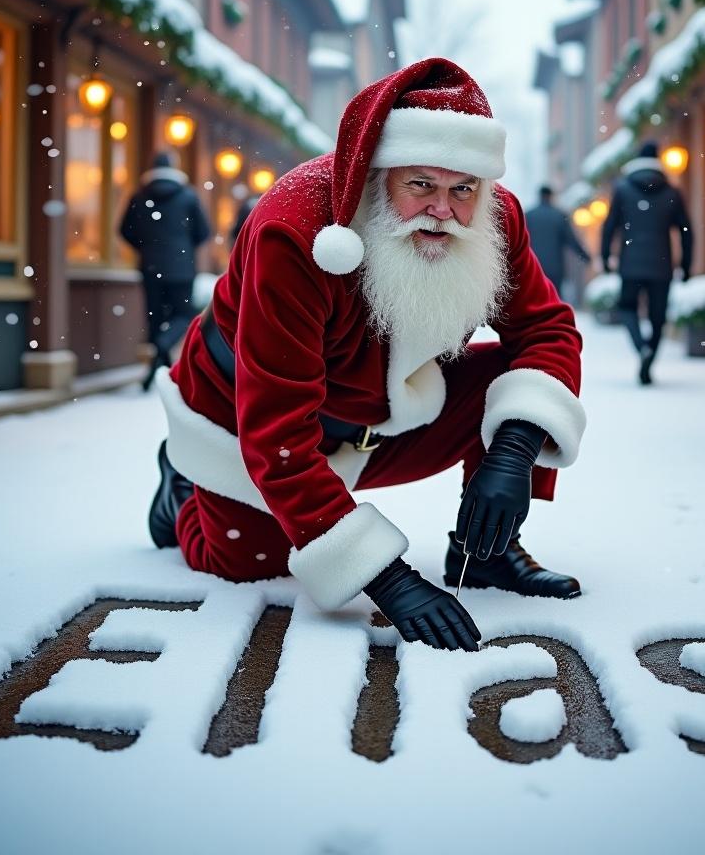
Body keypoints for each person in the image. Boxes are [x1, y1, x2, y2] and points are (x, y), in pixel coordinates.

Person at [146, 58, 587, 652]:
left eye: (463, 189)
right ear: (378, 176)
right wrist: (388, 578)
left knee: (522, 386)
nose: (444, 210)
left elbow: (547, 329)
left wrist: (513, 451)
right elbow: (276, 433)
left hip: (381, 413)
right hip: (245, 416)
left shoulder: (497, 219)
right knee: (250, 562)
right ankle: (182, 494)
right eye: (421, 185)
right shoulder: (296, 231)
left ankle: (488, 552)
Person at [600, 141, 693, 385]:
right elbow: (686, 231)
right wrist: (686, 264)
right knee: (657, 316)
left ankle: (641, 347)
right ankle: (649, 354)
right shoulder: (672, 193)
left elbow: (609, 226)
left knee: (628, 307)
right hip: (661, 265)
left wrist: (605, 257)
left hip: (630, 263)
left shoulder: (623, 190)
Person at [119, 150, 211, 391]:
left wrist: (147, 247)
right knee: (184, 314)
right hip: (182, 268)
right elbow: (203, 232)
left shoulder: (139, 197)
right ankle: (164, 349)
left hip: (150, 268)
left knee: (155, 318)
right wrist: (183, 247)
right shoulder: (188, 197)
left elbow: (125, 230)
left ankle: (157, 369)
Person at [524, 185, 590, 296]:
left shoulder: (529, 216)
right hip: (555, 268)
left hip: (534, 266)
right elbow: (571, 240)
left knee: (536, 298)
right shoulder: (559, 215)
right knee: (554, 298)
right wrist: (585, 257)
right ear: (551, 196)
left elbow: (522, 241)